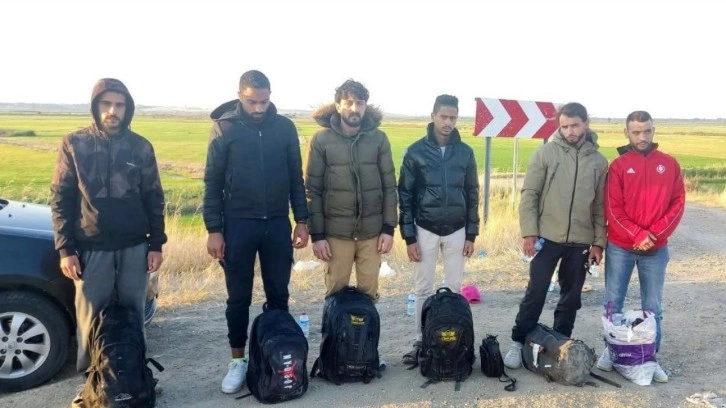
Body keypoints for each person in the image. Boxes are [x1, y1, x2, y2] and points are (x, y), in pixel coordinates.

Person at [51, 78, 167, 406]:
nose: (112, 111)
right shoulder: (74, 144)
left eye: (119, 105)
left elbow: (154, 197)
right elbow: (60, 198)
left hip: (135, 246)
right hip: (90, 248)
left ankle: (136, 379)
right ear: (96, 107)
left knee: (135, 317)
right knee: (89, 321)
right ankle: (93, 386)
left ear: (128, 109)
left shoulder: (141, 147)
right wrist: (66, 249)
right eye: (106, 104)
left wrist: (156, 244)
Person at [203, 70, 309, 394]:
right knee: (239, 297)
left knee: (279, 294)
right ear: (240, 96)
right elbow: (212, 182)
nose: (259, 108)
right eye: (252, 102)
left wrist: (302, 220)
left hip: (276, 222)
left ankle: (277, 354)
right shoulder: (224, 128)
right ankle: (238, 360)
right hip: (238, 224)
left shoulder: (285, 128)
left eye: (264, 101)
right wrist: (214, 229)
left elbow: (295, 178)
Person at [503, 102, 608, 369]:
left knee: (571, 298)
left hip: (580, 241)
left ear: (586, 124)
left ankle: (561, 346)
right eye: (564, 126)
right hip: (546, 237)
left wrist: (598, 242)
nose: (570, 131)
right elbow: (530, 195)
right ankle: (518, 341)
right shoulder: (545, 154)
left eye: (575, 125)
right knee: (535, 292)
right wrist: (529, 232)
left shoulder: (599, 161)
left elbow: (599, 205)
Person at [596, 110, 685, 383]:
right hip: (621, 247)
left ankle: (650, 357)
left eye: (646, 131)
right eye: (636, 132)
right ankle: (612, 350)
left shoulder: (669, 164)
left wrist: (653, 235)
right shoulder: (618, 166)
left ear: (653, 130)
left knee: (653, 307)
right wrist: (637, 234)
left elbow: (677, 204)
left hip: (656, 249)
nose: (642, 137)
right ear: (627, 133)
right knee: (613, 303)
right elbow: (613, 208)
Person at [397, 94, 479, 364]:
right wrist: (409, 237)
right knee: (423, 289)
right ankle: (422, 342)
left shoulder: (465, 152)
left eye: (453, 117)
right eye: (443, 116)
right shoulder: (415, 152)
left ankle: (451, 341)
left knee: (453, 289)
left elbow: (472, 193)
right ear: (433, 116)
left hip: (457, 229)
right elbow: (405, 196)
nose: (448, 122)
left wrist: (471, 233)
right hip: (425, 228)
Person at [305, 79, 397, 301]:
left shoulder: (379, 139)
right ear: (338, 106)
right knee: (335, 296)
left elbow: (389, 186)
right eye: (348, 103)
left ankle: (366, 326)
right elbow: (312, 190)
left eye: (360, 103)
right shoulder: (320, 140)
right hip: (336, 234)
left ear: (366, 106)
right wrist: (317, 235)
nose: (354, 108)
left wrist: (388, 228)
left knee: (369, 296)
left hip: (372, 233)